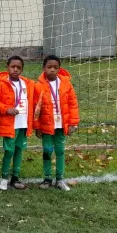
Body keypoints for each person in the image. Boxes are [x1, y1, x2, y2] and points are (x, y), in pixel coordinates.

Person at [34, 55, 80, 191]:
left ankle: (60, 179)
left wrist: (73, 123)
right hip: (47, 126)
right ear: (44, 68)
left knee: (60, 151)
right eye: (49, 67)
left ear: (59, 69)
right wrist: (37, 126)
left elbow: (73, 104)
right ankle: (47, 178)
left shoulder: (66, 84)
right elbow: (35, 108)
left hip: (62, 125)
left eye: (55, 67)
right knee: (47, 151)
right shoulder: (38, 86)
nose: (52, 70)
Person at [0, 56, 34, 191]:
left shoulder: (27, 84)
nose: (15, 70)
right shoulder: (1, 84)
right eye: (13, 67)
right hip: (10, 125)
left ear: (22, 69)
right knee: (9, 151)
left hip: (23, 124)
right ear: (7, 67)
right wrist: (7, 109)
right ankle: (4, 178)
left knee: (19, 150)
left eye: (18, 67)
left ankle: (15, 178)